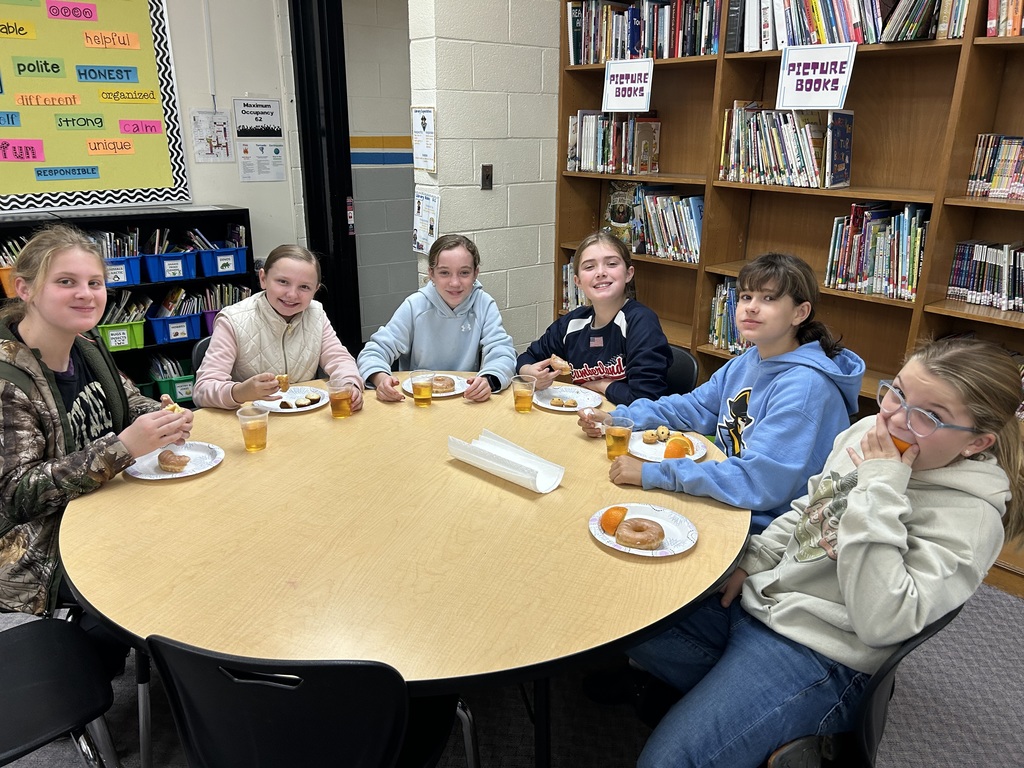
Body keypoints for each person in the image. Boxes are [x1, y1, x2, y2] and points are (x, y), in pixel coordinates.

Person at [627, 336, 1024, 768]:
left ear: (976, 444)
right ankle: (755, 719)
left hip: (822, 651)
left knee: (667, 761)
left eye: (928, 416)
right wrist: (757, 559)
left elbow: (882, 621)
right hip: (766, 601)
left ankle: (802, 726)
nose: (893, 421)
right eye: (898, 393)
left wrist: (880, 485)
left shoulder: (970, 518)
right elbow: (810, 507)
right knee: (627, 612)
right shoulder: (864, 433)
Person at [0, 224, 193, 673]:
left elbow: (129, 403)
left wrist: (165, 415)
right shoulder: (8, 381)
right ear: (24, 288)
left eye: (94, 283)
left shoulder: (86, 344)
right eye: (66, 282)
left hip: (107, 508)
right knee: (171, 567)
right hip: (43, 548)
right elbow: (15, 495)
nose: (86, 295)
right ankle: (94, 664)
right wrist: (122, 447)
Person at [579, 252, 865, 532]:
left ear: (800, 313)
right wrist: (618, 418)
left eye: (769, 298)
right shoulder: (750, 360)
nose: (751, 307)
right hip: (736, 496)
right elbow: (694, 407)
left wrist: (655, 474)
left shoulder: (805, 387)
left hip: (769, 524)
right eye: (745, 297)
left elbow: (759, 482)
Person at [192, 244, 363, 410]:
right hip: (254, 420)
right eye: (283, 282)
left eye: (304, 287)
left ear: (315, 290)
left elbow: (338, 359)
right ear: (263, 279)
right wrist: (239, 392)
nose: (292, 295)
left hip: (304, 418)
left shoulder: (315, 313)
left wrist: (349, 384)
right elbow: (202, 390)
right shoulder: (232, 320)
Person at [357, 233, 516, 403]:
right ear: (431, 274)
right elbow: (374, 351)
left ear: (475, 273)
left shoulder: (483, 304)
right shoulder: (415, 305)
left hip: (465, 399)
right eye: (444, 273)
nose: (454, 283)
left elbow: (503, 353)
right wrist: (381, 380)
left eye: (464, 272)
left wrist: (488, 380)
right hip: (420, 399)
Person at [517, 231, 671, 405]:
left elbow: (647, 398)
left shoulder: (641, 322)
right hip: (585, 420)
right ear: (578, 281)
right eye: (589, 267)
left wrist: (601, 385)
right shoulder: (573, 323)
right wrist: (530, 372)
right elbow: (527, 357)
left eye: (611, 264)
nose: (600, 272)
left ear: (629, 273)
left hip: (628, 424)